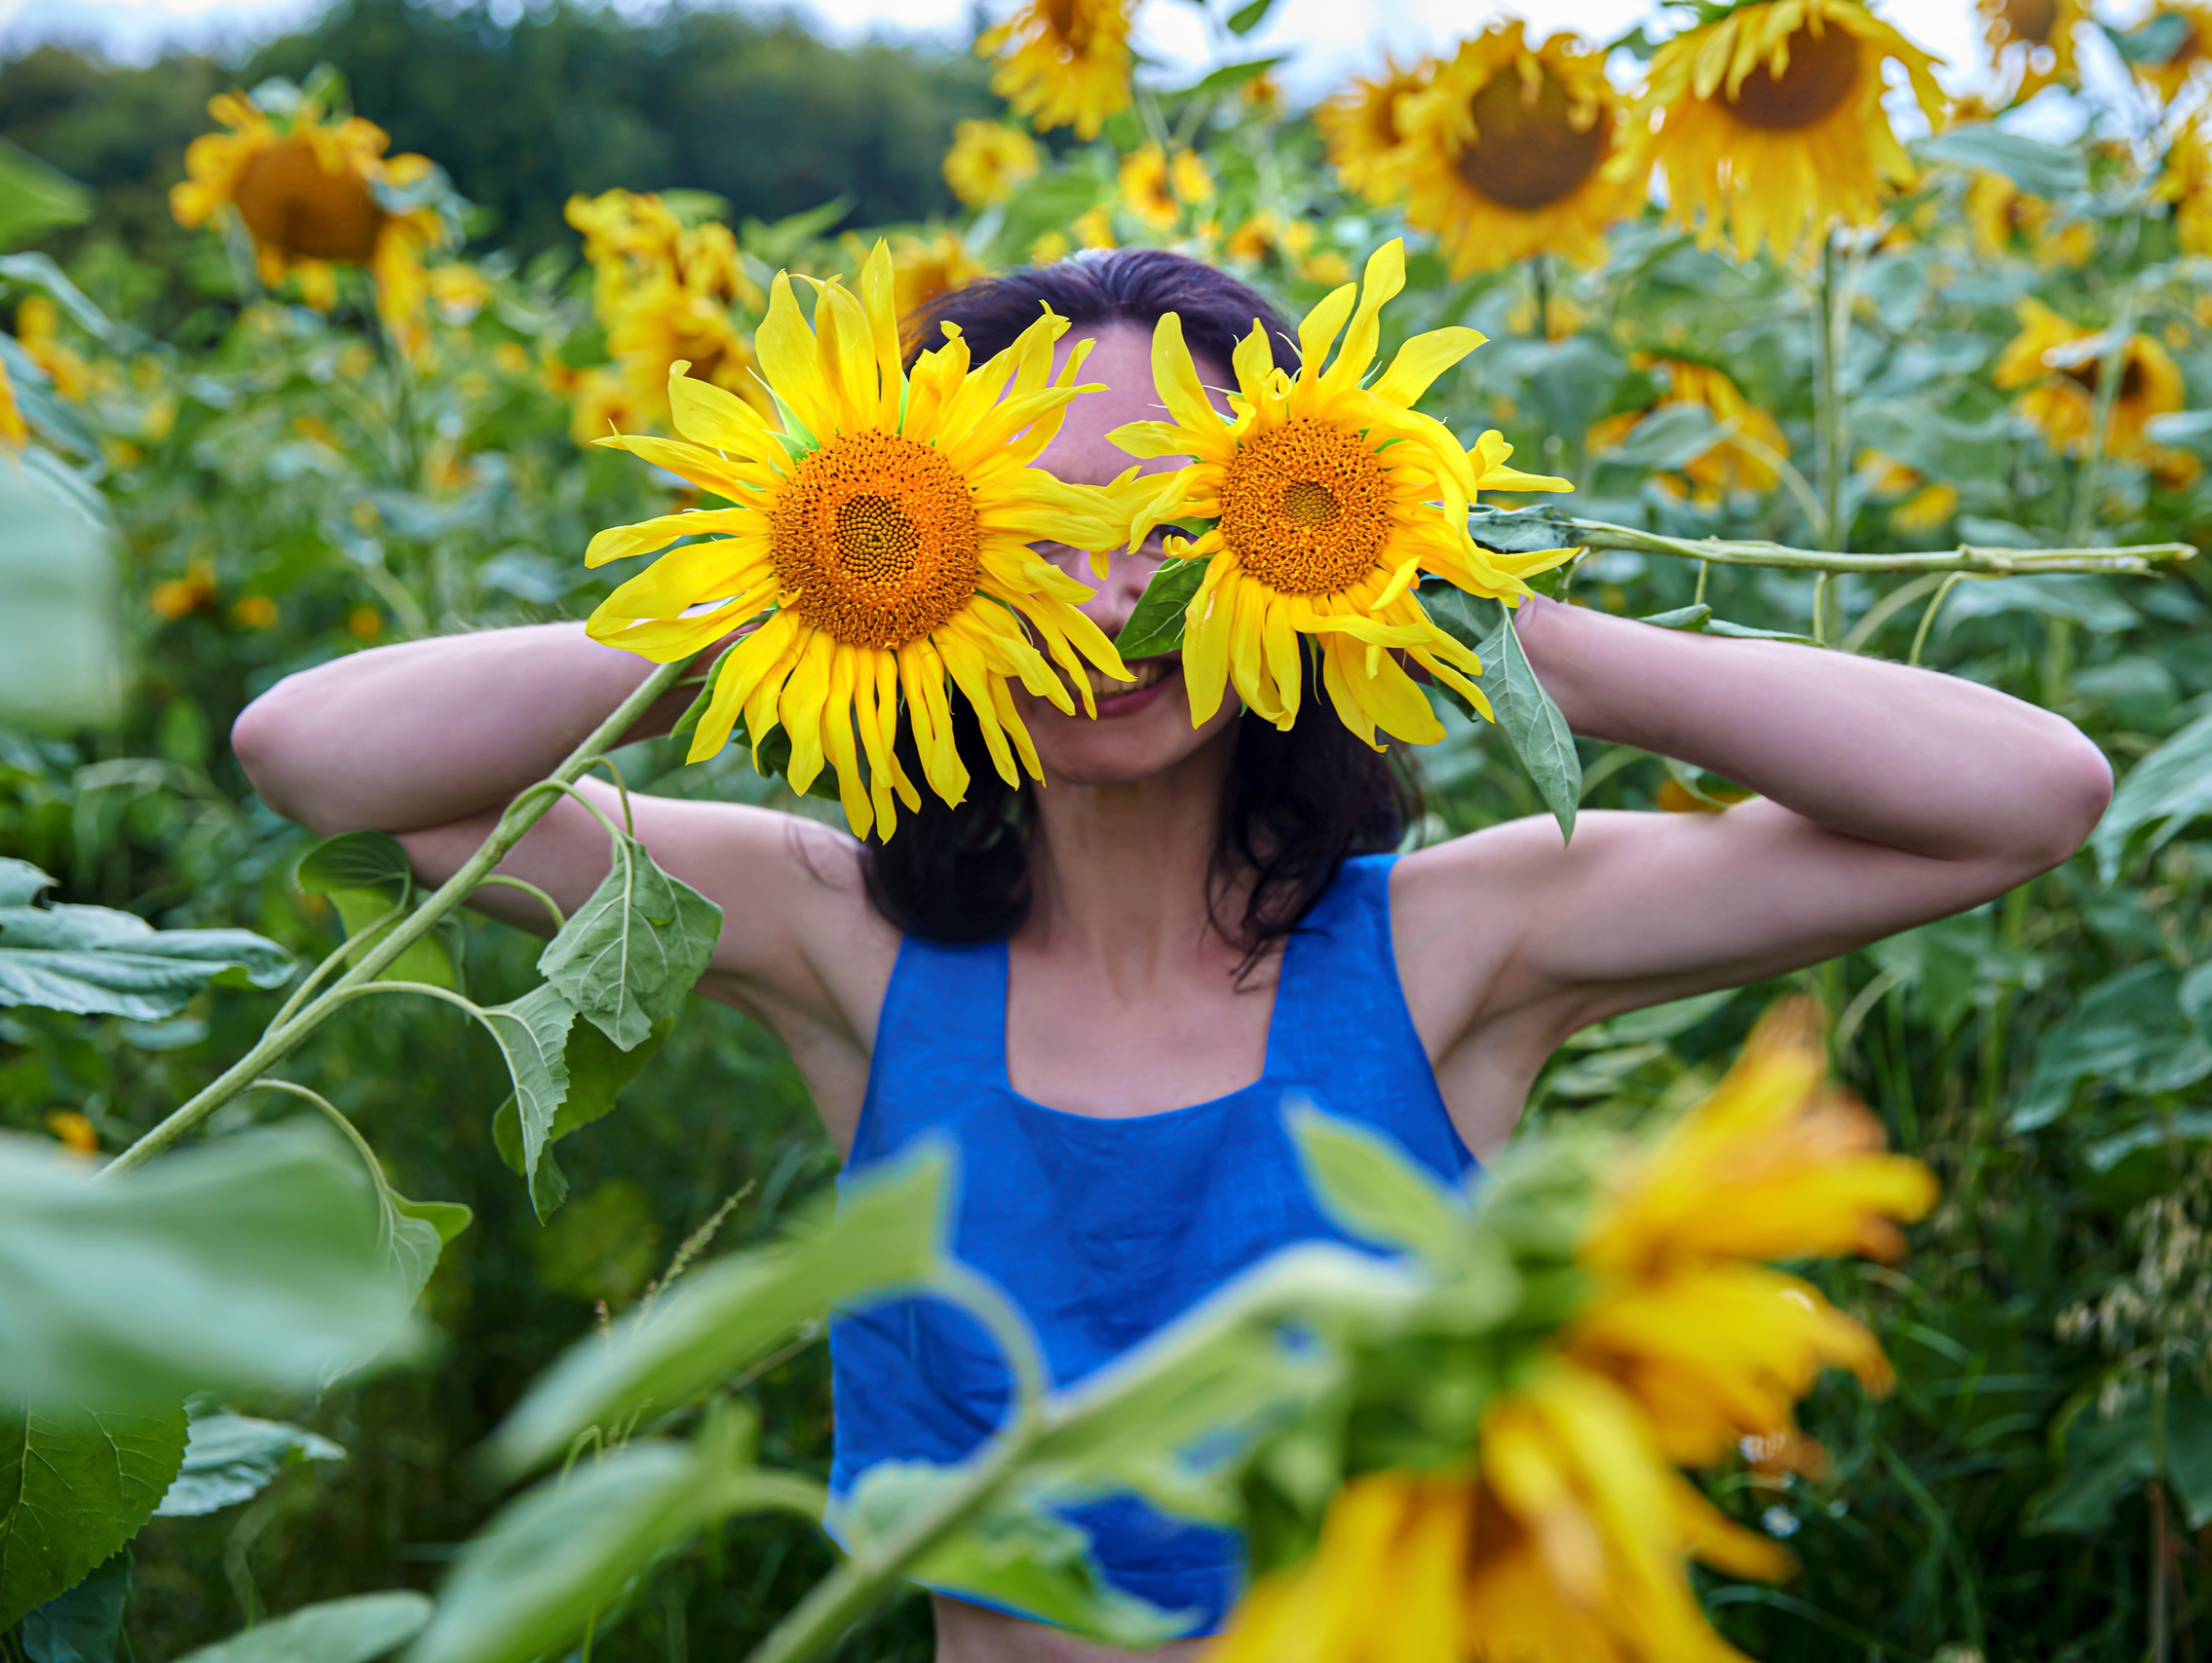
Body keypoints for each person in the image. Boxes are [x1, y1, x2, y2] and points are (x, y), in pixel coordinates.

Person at [232, 249, 2113, 1663]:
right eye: (1034, 528)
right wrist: (792, 578)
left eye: (1172, 523)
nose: (1111, 598)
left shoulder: (1464, 942)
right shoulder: (840, 938)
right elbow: (322, 761)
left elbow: (2021, 795)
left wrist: (1456, 603)